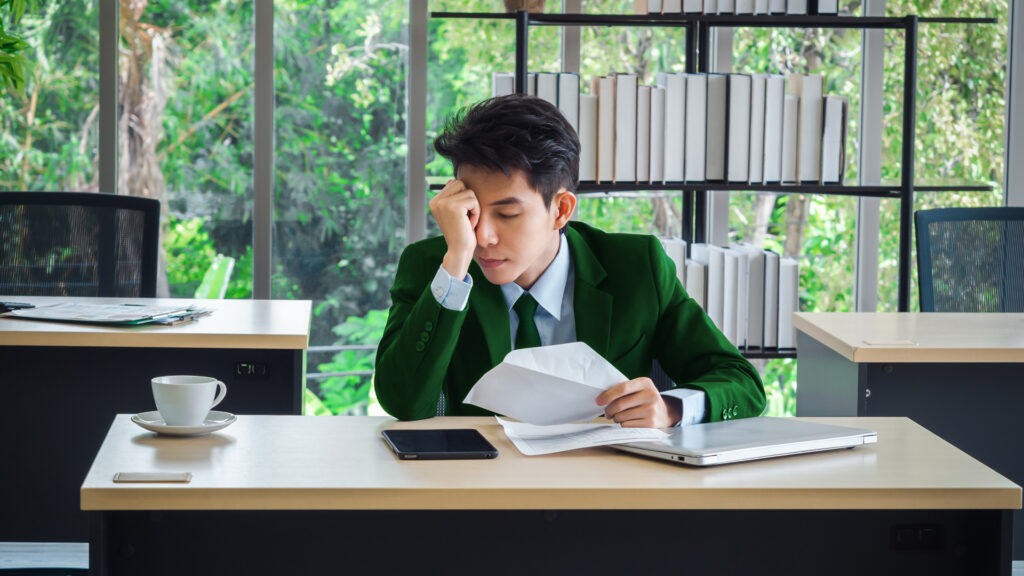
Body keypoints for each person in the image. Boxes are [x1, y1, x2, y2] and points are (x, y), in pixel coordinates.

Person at [375, 94, 765, 427]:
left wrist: (671, 408)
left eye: (507, 214)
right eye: (472, 212)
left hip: (607, 491)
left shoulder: (636, 266)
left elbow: (741, 382)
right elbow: (403, 402)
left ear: (561, 210)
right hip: (481, 491)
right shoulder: (437, 268)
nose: (483, 237)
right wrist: (456, 261)